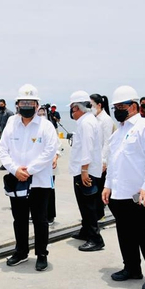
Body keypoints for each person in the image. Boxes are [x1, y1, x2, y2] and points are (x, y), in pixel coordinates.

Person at [102, 85, 145, 289]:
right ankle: (132, 268)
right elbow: (113, 162)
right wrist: (107, 186)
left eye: (121, 106)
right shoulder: (118, 132)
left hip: (141, 194)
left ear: (134, 106)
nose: (117, 110)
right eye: (115, 106)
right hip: (119, 193)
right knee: (125, 233)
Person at [0, 84, 59, 271]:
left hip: (40, 182)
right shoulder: (11, 124)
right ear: (17, 104)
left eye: (30, 102)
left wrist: (29, 170)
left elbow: (50, 152)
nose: (26, 105)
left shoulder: (46, 126)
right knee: (19, 219)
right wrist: (15, 169)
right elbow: (3, 149)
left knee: (40, 220)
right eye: (23, 102)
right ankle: (21, 251)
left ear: (37, 104)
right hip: (17, 180)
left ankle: (41, 254)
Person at [69, 91, 105, 252]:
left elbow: (87, 147)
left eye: (72, 108)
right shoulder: (87, 121)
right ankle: (86, 231)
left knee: (88, 206)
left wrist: (84, 170)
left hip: (86, 171)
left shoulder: (86, 123)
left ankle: (95, 238)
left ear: (77, 108)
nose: (71, 112)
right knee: (84, 204)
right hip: (84, 169)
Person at [90, 94, 115, 219]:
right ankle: (96, 214)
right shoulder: (94, 118)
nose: (90, 108)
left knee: (100, 189)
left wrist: (103, 161)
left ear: (99, 105)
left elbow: (107, 142)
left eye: (92, 105)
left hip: (102, 161)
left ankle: (100, 215)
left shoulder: (106, 120)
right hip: (94, 160)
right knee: (95, 190)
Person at [38, 108, 62, 225]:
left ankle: (50, 215)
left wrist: (55, 157)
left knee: (49, 191)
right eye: (39, 113)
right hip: (37, 168)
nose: (41, 115)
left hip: (49, 167)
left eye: (43, 113)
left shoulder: (49, 127)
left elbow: (58, 145)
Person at [0, 99, 14, 170]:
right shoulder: (0, 113)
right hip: (3, 133)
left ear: (5, 104)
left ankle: (7, 164)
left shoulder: (9, 113)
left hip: (10, 133)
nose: (0, 106)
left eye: (1, 105)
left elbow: (14, 123)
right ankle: (6, 163)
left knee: (7, 148)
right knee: (0, 147)